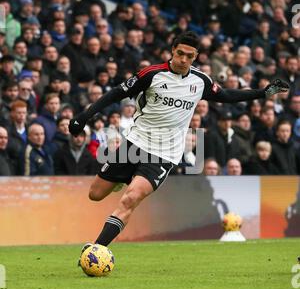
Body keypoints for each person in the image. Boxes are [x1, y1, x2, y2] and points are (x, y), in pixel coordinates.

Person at [68, 31, 289, 259]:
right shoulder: (151, 74)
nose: (184, 59)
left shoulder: (200, 81)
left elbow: (227, 95)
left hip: (165, 153)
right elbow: (116, 93)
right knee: (95, 194)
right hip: (135, 142)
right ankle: (118, 181)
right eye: (180, 53)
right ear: (173, 51)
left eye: (190, 56)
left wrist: (264, 93)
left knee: (130, 198)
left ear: (196, 57)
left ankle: (97, 249)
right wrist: (84, 116)